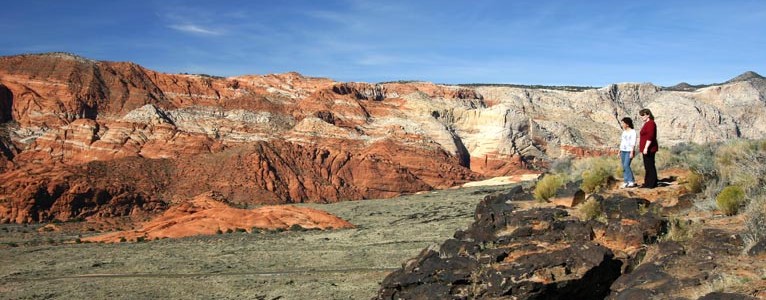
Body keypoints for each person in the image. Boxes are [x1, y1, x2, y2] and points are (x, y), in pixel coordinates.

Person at [638, 108, 659, 188]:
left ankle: (652, 183)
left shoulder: (651, 123)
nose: (642, 117)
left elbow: (650, 136)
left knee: (650, 165)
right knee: (647, 166)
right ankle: (648, 182)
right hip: (646, 148)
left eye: (643, 115)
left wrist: (646, 147)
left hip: (649, 148)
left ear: (648, 115)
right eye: (641, 115)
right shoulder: (647, 123)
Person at [619, 117, 637, 188]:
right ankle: (626, 181)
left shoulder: (633, 132)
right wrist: (619, 151)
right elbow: (622, 142)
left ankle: (631, 181)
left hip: (629, 151)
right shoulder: (624, 132)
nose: (622, 124)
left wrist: (632, 152)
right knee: (624, 166)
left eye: (623, 123)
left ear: (627, 124)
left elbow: (633, 142)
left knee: (626, 165)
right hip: (623, 150)